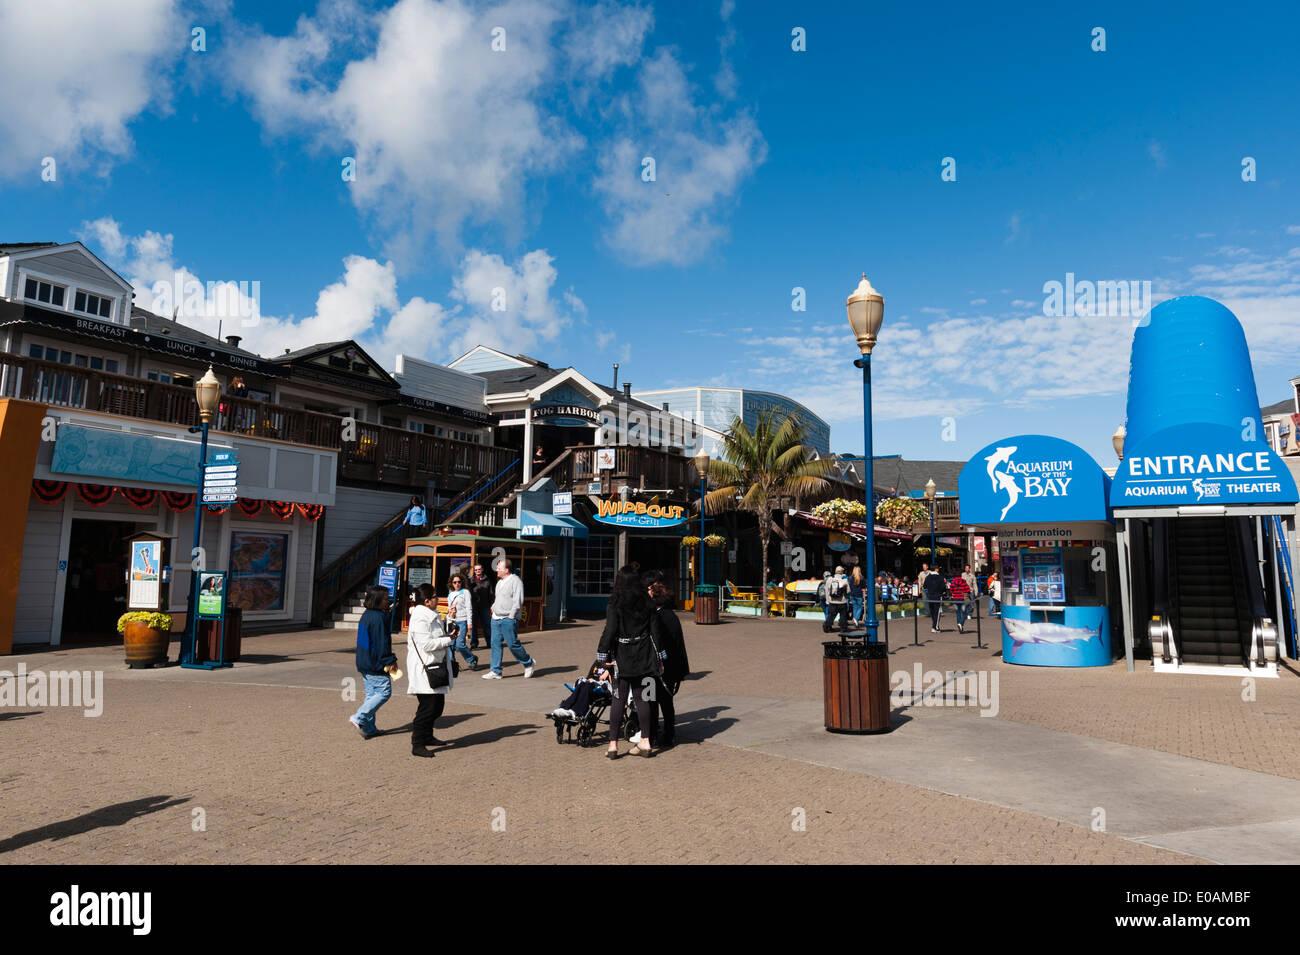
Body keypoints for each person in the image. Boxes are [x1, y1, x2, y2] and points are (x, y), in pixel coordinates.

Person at [596, 565, 660, 758]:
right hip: (643, 654)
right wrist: (661, 654)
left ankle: (613, 745)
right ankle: (646, 741)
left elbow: (611, 629)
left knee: (618, 699)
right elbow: (655, 630)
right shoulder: (646, 601)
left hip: (622, 654)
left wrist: (601, 654)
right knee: (643, 698)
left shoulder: (615, 602)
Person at [406, 583, 455, 758]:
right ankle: (417, 743)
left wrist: (449, 623)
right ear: (427, 601)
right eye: (435, 597)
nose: (437, 599)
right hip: (425, 669)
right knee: (427, 708)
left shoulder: (431, 614)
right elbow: (426, 644)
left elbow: (437, 635)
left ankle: (427, 736)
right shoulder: (420, 618)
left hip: (435, 666)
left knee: (437, 707)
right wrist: (448, 641)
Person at [645, 570, 689, 748]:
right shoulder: (671, 616)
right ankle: (669, 733)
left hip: (659, 667)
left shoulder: (658, 617)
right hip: (672, 666)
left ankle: (655, 733)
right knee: (666, 701)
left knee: (653, 701)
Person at [349, 585, 398, 739]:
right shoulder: (377, 618)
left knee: (371, 695)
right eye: (385, 598)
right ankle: (360, 717)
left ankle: (369, 728)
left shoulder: (368, 615)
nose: (388, 601)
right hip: (375, 663)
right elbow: (381, 643)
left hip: (364, 661)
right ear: (377, 600)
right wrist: (390, 660)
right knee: (384, 692)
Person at [482, 558, 536, 679]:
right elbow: (498, 598)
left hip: (508, 618)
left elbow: (518, 600)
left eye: (499, 568)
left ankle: (528, 662)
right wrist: (493, 607)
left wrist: (512, 615)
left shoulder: (516, 581)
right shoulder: (500, 582)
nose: (497, 570)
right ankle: (496, 671)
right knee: (495, 644)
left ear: (506, 570)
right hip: (496, 618)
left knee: (512, 644)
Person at [445, 571, 479, 671]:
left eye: (459, 582)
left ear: (462, 582)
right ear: (451, 583)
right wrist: (449, 616)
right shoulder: (450, 595)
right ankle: (451, 663)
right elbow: (448, 609)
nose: (457, 584)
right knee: (450, 644)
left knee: (460, 645)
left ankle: (472, 659)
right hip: (452, 622)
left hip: (462, 621)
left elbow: (469, 608)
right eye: (454, 582)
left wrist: (469, 623)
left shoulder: (465, 592)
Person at [468, 562, 494, 652]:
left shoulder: (487, 580)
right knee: (473, 626)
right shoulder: (470, 581)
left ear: (482, 570)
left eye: (479, 569)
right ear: (474, 571)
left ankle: (489, 642)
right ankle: (474, 643)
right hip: (474, 607)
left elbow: (491, 594)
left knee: (487, 625)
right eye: (476, 570)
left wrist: (492, 605)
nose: (477, 571)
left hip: (485, 606)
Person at [823, 565, 851, 633]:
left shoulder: (830, 580)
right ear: (842, 572)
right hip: (842, 601)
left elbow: (826, 590)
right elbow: (848, 591)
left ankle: (827, 627)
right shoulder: (844, 580)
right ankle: (843, 628)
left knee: (831, 616)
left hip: (832, 601)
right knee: (843, 616)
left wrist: (827, 600)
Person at [922, 568, 946, 633]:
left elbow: (924, 586)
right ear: (936, 569)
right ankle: (935, 626)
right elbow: (943, 587)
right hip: (938, 596)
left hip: (930, 596)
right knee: (937, 612)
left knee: (932, 611)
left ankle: (934, 625)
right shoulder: (940, 577)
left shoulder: (928, 577)